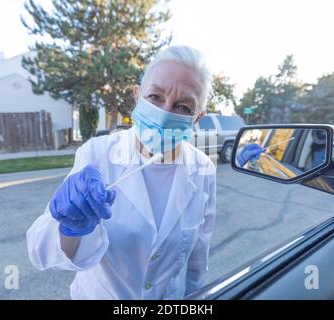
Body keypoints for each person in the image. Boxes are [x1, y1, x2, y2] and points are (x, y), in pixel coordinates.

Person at [26, 46, 217, 300]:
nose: (164, 114)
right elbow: (39, 251)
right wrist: (68, 229)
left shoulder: (203, 169)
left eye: (182, 107)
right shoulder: (96, 154)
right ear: (137, 96)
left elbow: (197, 260)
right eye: (155, 97)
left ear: (197, 118)